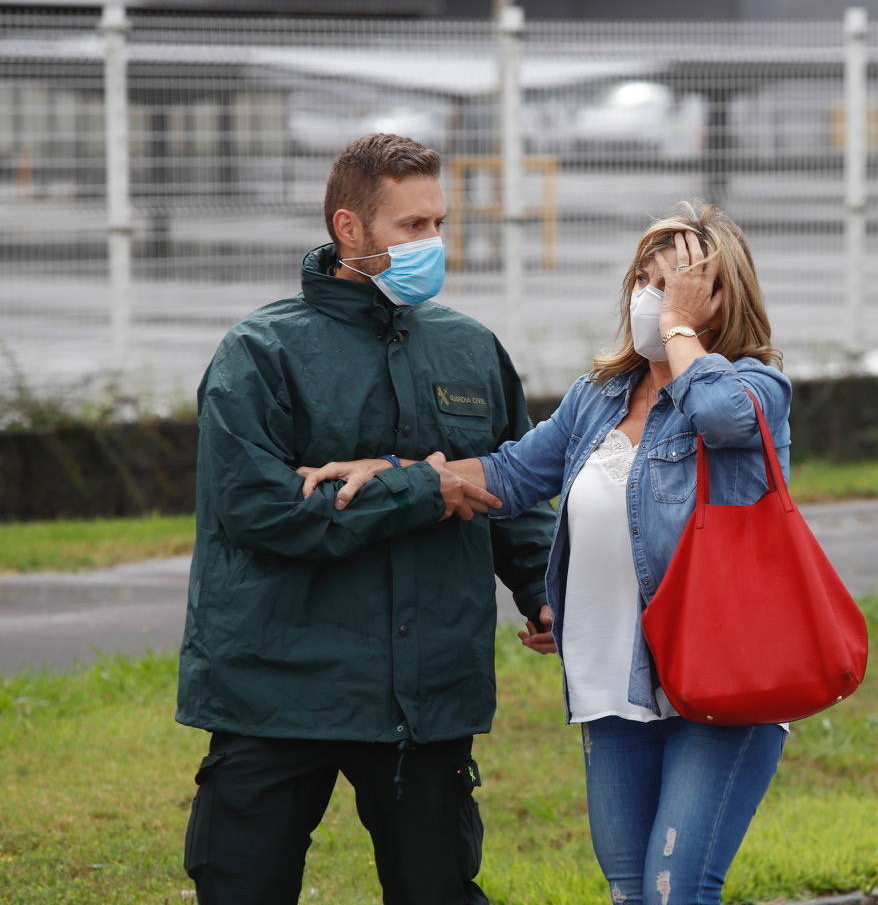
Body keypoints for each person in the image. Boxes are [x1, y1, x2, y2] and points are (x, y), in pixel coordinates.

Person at [301, 202, 791, 905]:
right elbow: (507, 476)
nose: (653, 298)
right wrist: (387, 469)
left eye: (678, 283)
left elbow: (715, 417)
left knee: (675, 890)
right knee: (630, 890)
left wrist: (681, 332)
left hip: (722, 678)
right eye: (646, 282)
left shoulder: (756, 389)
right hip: (612, 679)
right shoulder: (599, 398)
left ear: (723, 297)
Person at [176, 133, 555, 905]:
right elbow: (261, 511)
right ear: (350, 229)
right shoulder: (260, 351)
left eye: (439, 224)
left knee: (437, 891)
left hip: (428, 696)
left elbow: (515, 496)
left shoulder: (471, 349)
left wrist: (549, 588)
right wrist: (423, 487)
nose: (434, 244)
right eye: (412, 227)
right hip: (275, 692)